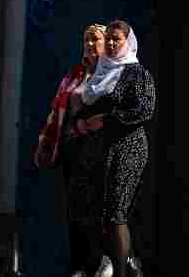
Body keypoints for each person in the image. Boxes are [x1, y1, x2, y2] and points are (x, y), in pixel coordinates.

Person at [68, 19, 156, 277]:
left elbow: (144, 109)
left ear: (127, 42)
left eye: (117, 39)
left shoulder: (136, 72)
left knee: (117, 212)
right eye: (109, 39)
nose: (112, 43)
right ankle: (106, 264)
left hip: (127, 148)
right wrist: (82, 122)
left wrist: (106, 119)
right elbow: (85, 108)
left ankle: (121, 271)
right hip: (100, 150)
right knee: (97, 212)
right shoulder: (101, 72)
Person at [34, 23, 109, 277]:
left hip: (97, 149)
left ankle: (100, 263)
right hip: (71, 149)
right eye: (86, 40)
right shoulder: (74, 74)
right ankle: (79, 267)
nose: (89, 44)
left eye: (95, 39)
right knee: (74, 210)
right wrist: (46, 140)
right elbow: (57, 110)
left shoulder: (113, 74)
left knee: (94, 209)